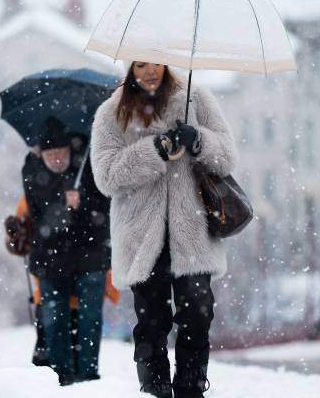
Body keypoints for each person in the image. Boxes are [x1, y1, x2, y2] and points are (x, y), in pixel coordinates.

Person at [90, 61, 237, 398]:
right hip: (142, 237)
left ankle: (191, 388)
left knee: (198, 314)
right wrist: (154, 150)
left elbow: (228, 157)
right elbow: (107, 176)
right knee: (152, 323)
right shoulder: (112, 113)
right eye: (140, 64)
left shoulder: (195, 99)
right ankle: (155, 390)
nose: (149, 71)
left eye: (155, 62)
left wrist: (199, 141)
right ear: (130, 67)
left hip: (193, 232)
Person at [23, 117, 111, 385]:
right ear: (41, 153)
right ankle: (62, 376)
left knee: (90, 317)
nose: (57, 158)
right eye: (50, 154)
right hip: (50, 257)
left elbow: (105, 208)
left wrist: (82, 202)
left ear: (70, 149)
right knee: (53, 319)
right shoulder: (31, 169)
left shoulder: (90, 163)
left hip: (90, 253)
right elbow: (37, 212)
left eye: (61, 152)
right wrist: (63, 202)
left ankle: (88, 373)